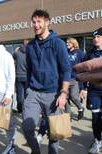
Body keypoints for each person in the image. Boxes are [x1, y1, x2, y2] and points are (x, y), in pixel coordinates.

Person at [22, 9, 71, 154]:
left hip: (53, 94)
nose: (35, 25)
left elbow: (66, 70)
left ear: (47, 22)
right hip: (33, 92)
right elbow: (29, 70)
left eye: (39, 22)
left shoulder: (58, 43)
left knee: (54, 134)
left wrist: (63, 93)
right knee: (27, 128)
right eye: (33, 22)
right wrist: (27, 90)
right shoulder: (30, 46)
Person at [81, 27, 102, 154]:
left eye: (98, 37)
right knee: (95, 117)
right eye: (94, 37)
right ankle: (97, 140)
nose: (95, 39)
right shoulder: (89, 54)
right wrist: (83, 88)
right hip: (94, 91)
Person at [66, 37, 85, 120]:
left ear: (73, 43)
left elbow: (84, 66)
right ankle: (68, 116)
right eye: (67, 43)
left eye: (69, 43)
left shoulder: (80, 53)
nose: (67, 44)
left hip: (75, 79)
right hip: (65, 79)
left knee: (73, 96)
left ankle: (80, 108)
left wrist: (82, 87)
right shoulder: (65, 52)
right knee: (66, 98)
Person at [12, 40, 28, 113]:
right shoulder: (30, 53)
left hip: (18, 76)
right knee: (26, 94)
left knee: (19, 94)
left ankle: (20, 109)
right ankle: (26, 108)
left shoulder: (17, 53)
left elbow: (12, 58)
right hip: (27, 77)